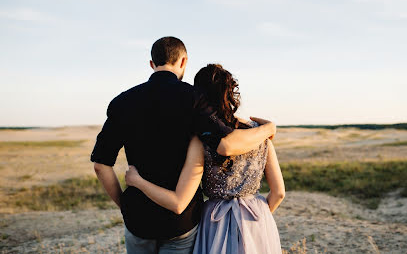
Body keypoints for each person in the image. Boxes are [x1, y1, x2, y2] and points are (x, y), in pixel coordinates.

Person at [91, 37, 276, 253]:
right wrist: (267, 129)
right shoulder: (194, 98)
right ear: (183, 61)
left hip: (137, 220)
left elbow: (100, 165)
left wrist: (127, 206)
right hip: (181, 222)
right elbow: (225, 144)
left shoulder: (121, 102)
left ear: (152, 64)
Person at [125, 64, 285, 253]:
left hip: (214, 223)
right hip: (256, 218)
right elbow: (279, 193)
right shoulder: (259, 133)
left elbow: (180, 198)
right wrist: (258, 219)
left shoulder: (201, 139)